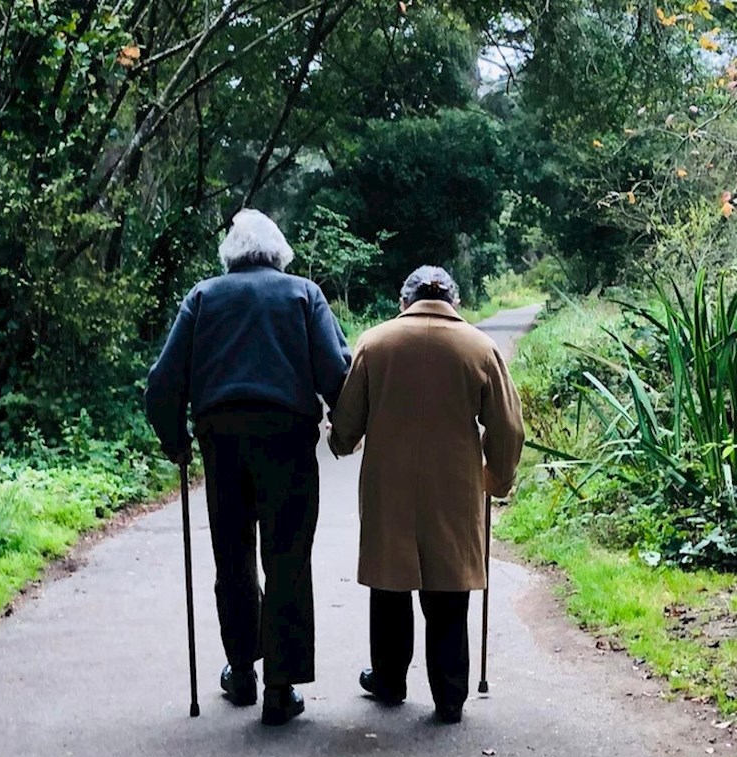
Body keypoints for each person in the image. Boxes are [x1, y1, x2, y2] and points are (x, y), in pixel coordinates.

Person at [145, 209, 351, 725]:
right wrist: (346, 427)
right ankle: (280, 691)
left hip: (224, 442)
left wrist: (176, 440)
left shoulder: (203, 297)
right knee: (287, 560)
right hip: (288, 442)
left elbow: (162, 382)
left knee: (232, 558)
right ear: (279, 254)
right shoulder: (304, 294)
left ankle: (242, 673)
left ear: (230, 256)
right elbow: (336, 371)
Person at [328, 265, 524, 724]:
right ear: (454, 302)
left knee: (390, 583)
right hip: (454, 488)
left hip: (388, 486)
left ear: (405, 301)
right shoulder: (480, 348)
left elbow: (346, 422)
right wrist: (497, 476)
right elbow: (508, 427)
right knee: (449, 588)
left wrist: (340, 443)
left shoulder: (376, 343)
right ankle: (450, 695)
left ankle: (390, 679)